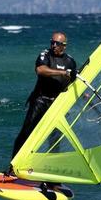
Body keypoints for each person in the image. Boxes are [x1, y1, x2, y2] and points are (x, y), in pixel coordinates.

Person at [6, 31, 78, 176]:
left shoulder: (70, 61)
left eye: (56, 44)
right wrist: (62, 73)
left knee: (55, 141)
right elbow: (41, 70)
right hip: (40, 100)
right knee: (25, 134)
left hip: (57, 105)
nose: (53, 46)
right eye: (52, 42)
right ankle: (13, 168)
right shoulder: (45, 55)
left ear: (64, 46)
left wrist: (86, 97)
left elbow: (74, 83)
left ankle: (52, 174)